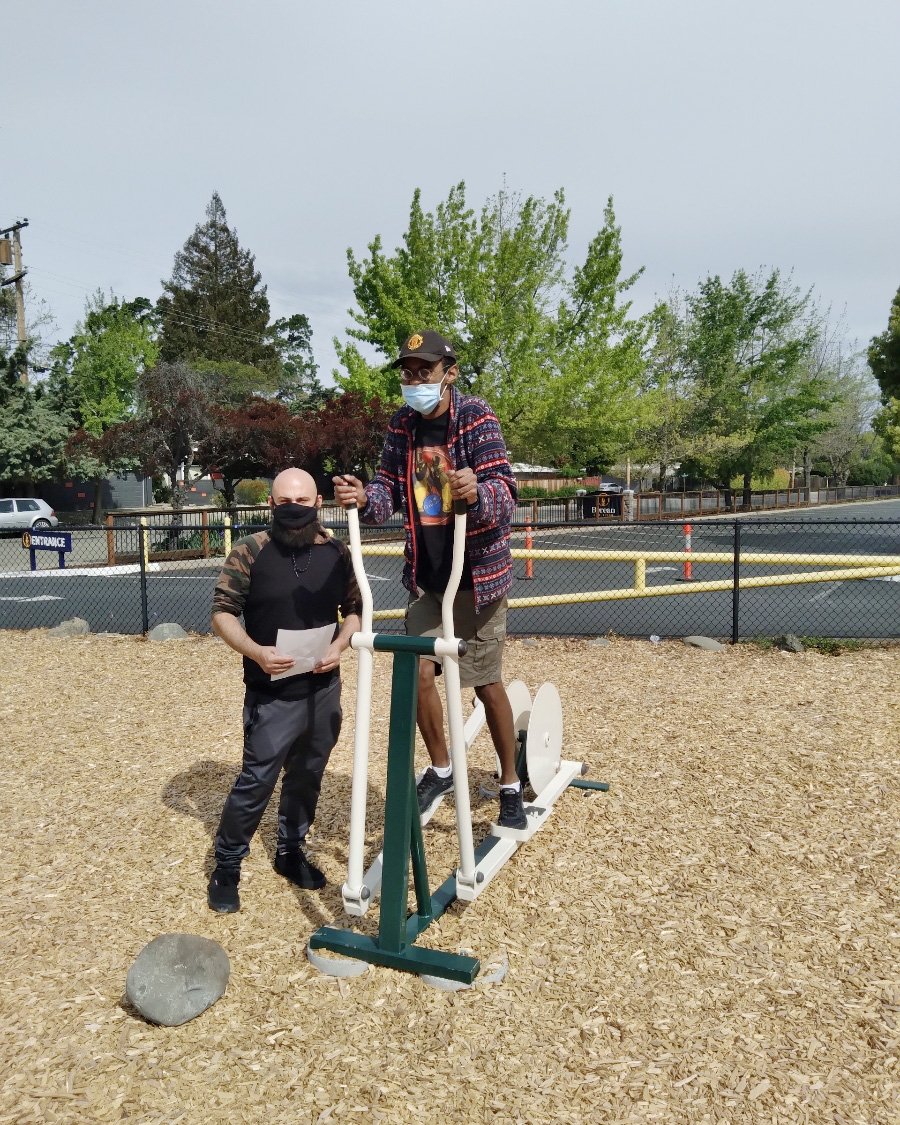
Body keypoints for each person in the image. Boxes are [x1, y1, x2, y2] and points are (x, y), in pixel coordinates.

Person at [333, 329, 526, 830]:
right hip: (429, 579)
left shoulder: (475, 416)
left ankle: (510, 784)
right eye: (408, 371)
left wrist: (477, 491)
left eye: (425, 370)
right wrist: (363, 498)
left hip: (477, 579)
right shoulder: (403, 425)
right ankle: (441, 768)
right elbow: (387, 492)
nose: (415, 379)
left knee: (484, 684)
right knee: (416, 670)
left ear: (449, 373)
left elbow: (506, 493)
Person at [207, 467, 362, 913]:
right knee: (257, 779)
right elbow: (222, 612)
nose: (294, 509)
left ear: (318, 503)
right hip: (271, 690)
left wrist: (340, 645)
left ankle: (290, 849)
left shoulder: (337, 552)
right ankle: (227, 865)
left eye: (303, 501)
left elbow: (355, 609)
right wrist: (256, 652)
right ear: (271, 504)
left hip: (322, 688)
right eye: (285, 502)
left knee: (307, 774)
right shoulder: (250, 551)